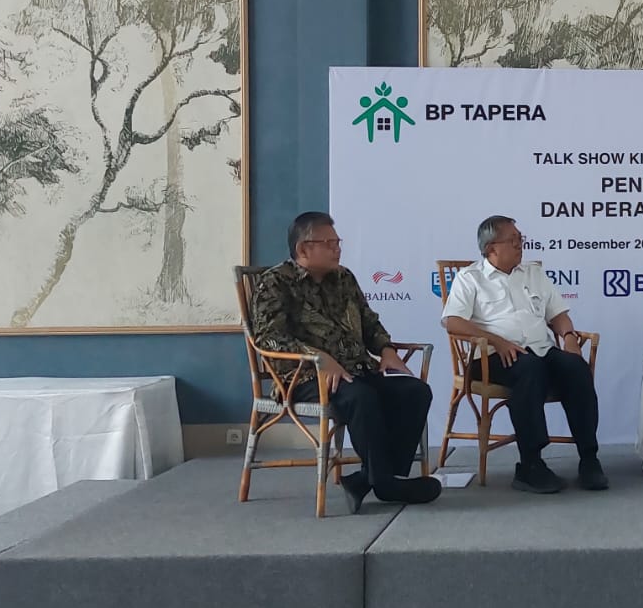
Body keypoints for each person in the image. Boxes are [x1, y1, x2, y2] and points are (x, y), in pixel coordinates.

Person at [252, 211, 440, 513]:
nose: (337, 249)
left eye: (337, 242)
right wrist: (318, 358)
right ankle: (385, 484)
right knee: (361, 397)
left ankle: (374, 479)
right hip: (304, 378)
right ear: (303, 249)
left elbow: (369, 322)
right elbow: (267, 338)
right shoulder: (275, 282)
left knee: (414, 391)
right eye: (328, 243)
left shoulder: (344, 278)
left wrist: (386, 349)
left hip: (357, 371)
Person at [442, 215, 608, 494]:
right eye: (513, 240)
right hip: (492, 357)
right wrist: (498, 341)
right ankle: (531, 464)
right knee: (530, 370)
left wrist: (569, 337)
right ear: (491, 248)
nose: (521, 245)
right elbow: (453, 322)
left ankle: (589, 459)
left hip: (541, 349)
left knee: (575, 367)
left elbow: (558, 314)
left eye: (521, 239)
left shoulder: (533, 273)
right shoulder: (470, 278)